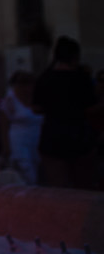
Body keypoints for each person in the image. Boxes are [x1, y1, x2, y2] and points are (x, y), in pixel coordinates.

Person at [32, 37, 99, 189]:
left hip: (52, 137)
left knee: (59, 189)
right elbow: (90, 107)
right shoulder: (81, 78)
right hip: (79, 137)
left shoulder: (45, 78)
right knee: (84, 188)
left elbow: (36, 107)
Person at [0, 70, 41, 185]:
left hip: (37, 139)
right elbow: (4, 124)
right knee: (26, 172)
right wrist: (6, 146)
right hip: (19, 141)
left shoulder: (38, 98)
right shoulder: (10, 99)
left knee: (36, 169)